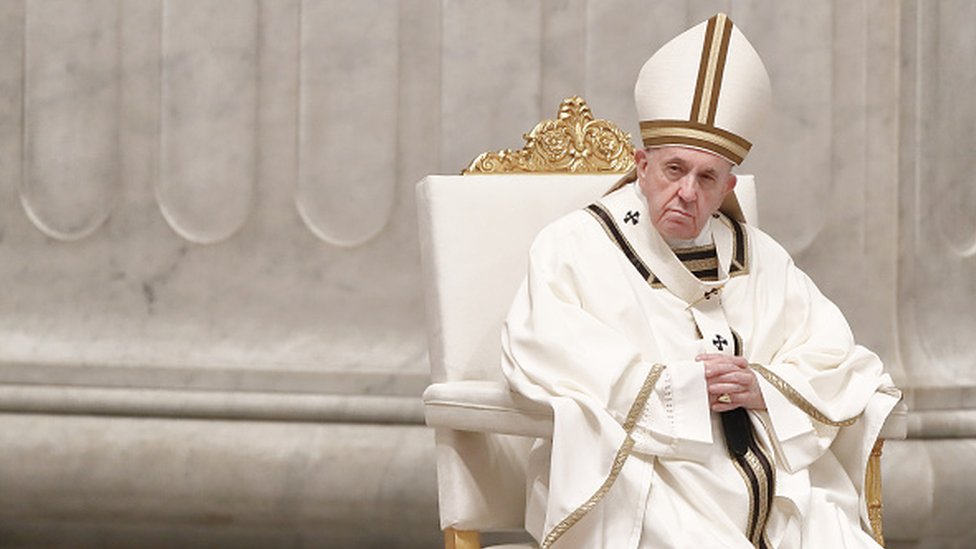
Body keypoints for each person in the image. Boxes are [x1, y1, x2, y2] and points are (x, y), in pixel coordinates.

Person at [501, 13, 900, 549]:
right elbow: (540, 347)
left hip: (770, 476)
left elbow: (841, 359)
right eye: (674, 169)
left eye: (707, 177)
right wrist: (678, 391)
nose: (687, 192)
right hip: (645, 472)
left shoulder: (759, 256)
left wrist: (766, 387)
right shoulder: (574, 246)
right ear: (642, 165)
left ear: (728, 186)